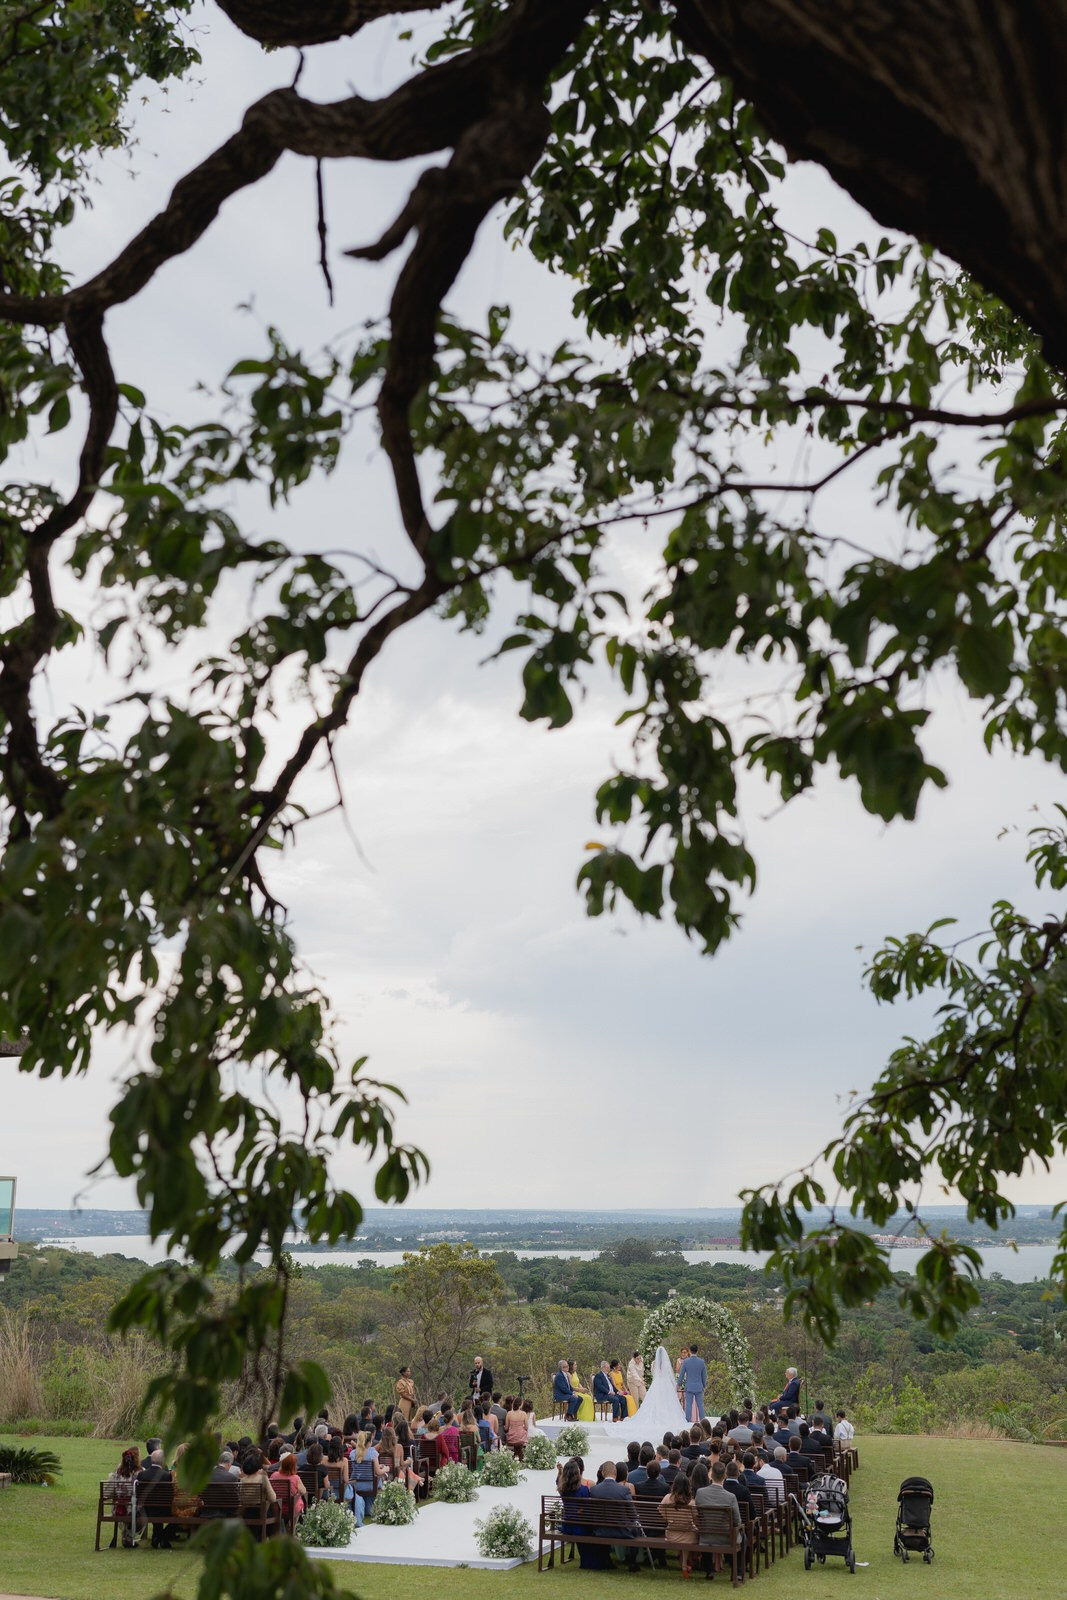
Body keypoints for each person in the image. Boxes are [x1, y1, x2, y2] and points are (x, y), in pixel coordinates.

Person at [694, 1460, 743, 1580]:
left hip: (706, 1535)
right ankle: (738, 1571)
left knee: (712, 1532)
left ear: (711, 1474)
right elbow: (737, 1521)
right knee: (741, 1536)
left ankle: (709, 1570)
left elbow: (698, 1514)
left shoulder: (700, 1493)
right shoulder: (730, 1497)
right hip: (725, 1537)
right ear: (725, 1476)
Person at [590, 1460, 643, 1570]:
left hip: (600, 1530)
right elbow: (633, 1515)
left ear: (603, 1473)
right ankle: (632, 1562)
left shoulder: (594, 1490)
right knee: (636, 1529)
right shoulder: (623, 1490)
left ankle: (606, 1559)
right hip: (621, 1531)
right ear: (615, 1473)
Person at [558, 1455, 604, 1570]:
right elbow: (588, 1508)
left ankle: (586, 1561)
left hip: (567, 1526)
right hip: (580, 1527)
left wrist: (560, 1471)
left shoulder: (562, 1489)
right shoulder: (583, 1489)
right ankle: (589, 1561)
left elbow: (557, 1481)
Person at [134, 1448, 173, 1550]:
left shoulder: (141, 1474)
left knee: (155, 1507)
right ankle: (161, 1537)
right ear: (163, 1461)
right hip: (162, 1510)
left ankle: (157, 1537)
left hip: (145, 1510)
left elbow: (137, 1494)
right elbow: (169, 1495)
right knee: (163, 1508)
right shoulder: (166, 1475)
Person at [662, 1471, 699, 1576]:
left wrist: (672, 1520)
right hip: (689, 1537)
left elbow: (663, 1514)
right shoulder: (691, 1502)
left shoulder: (667, 1498)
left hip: (671, 1535)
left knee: (684, 1533)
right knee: (690, 1533)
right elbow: (696, 1519)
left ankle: (684, 1564)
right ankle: (685, 1564)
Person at [104, 1446, 140, 1547]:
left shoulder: (117, 1473)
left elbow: (107, 1493)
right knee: (140, 1509)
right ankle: (128, 1537)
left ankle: (127, 1537)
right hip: (132, 1510)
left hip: (117, 1509)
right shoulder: (140, 1472)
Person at [239, 1449, 279, 1539]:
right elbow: (273, 1498)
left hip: (246, 1513)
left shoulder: (242, 1480)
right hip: (261, 1513)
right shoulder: (262, 1478)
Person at [270, 1453, 308, 1527]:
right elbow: (303, 1491)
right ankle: (292, 1529)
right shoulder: (295, 1478)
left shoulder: (274, 1475)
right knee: (298, 1498)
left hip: (277, 1507)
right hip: (291, 1507)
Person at [678, 1344, 708, 1423]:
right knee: (700, 1406)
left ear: (690, 1351)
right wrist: (704, 1386)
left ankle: (687, 1422)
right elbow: (704, 1376)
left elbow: (681, 1375)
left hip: (689, 1387)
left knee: (688, 1405)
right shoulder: (701, 1362)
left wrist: (678, 1385)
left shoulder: (686, 1362)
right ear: (697, 1351)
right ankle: (703, 1422)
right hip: (699, 1387)